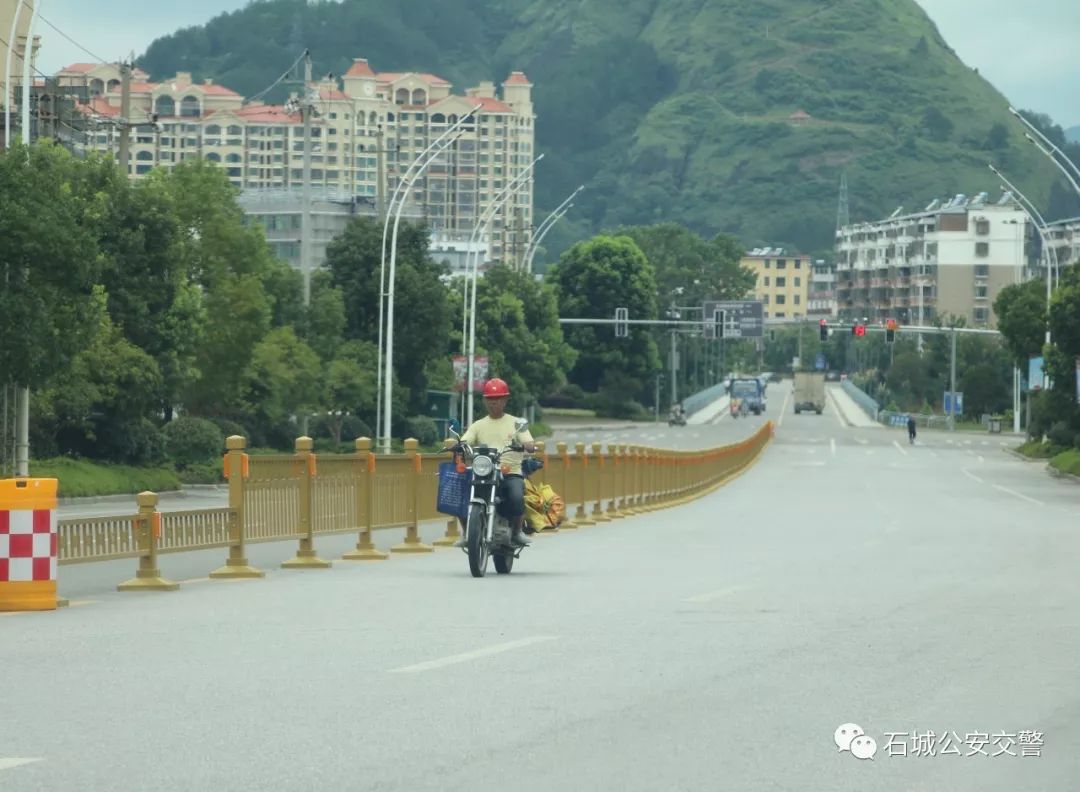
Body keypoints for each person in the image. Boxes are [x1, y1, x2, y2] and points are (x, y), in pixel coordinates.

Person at [450, 377, 536, 549]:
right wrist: (458, 445)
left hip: (509, 471)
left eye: (497, 399)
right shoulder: (478, 425)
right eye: (489, 399)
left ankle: (517, 531)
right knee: (458, 493)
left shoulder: (516, 423)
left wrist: (526, 445)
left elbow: (530, 443)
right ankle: (468, 533)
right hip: (483, 470)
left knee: (517, 495)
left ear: (505, 400)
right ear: (484, 401)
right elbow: (466, 440)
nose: (493, 403)